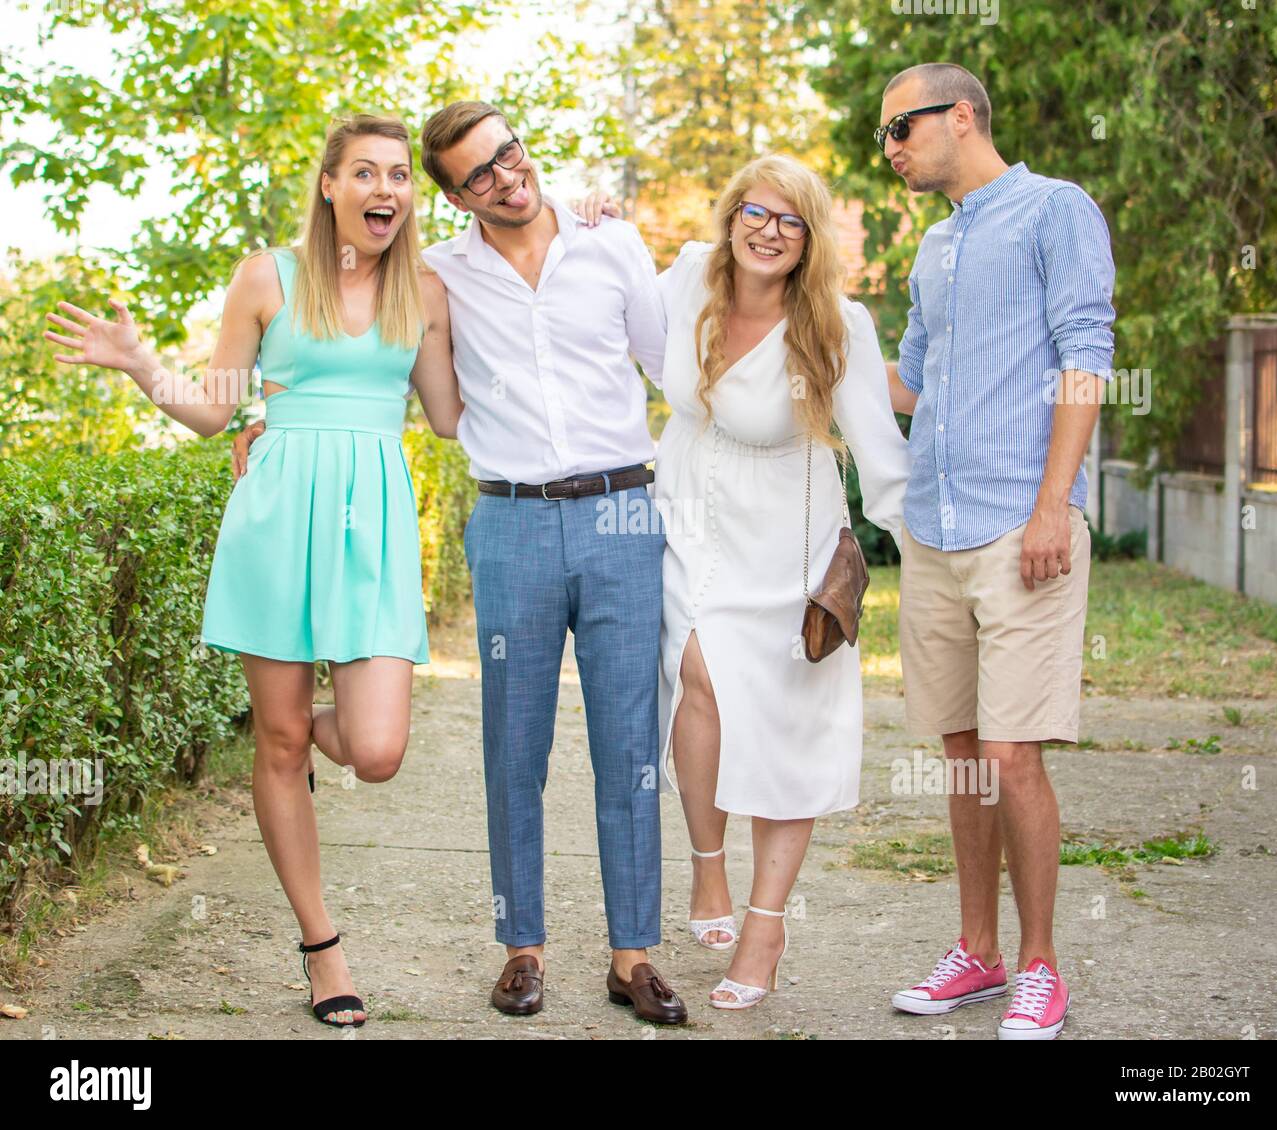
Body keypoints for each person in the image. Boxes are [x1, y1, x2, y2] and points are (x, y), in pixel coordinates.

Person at [47, 114, 460, 1028]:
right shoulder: (266, 276)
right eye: (364, 172)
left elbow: (449, 417)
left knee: (378, 750)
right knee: (276, 747)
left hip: (372, 525)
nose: (384, 189)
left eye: (398, 175)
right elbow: (211, 412)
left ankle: (325, 720)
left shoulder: (426, 293)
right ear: (329, 184)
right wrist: (139, 364)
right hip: (277, 517)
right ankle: (323, 951)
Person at [415, 101, 687, 1023]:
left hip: (621, 513)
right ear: (455, 197)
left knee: (629, 748)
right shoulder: (437, 277)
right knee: (513, 748)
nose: (504, 177)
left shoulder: (613, 244)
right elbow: (419, 398)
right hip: (512, 521)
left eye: (509, 154)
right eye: (478, 174)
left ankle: (634, 956)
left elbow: (674, 375)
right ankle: (521, 949)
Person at [876, 63, 1116, 1040]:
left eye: (900, 127)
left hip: (1023, 526)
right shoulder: (930, 247)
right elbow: (910, 385)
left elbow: (1084, 353)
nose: (890, 147)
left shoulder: (1054, 210)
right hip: (932, 530)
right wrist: (802, 340)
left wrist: (1054, 502)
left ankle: (1040, 965)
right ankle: (975, 949)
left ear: (961, 114)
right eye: (884, 135)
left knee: (1015, 753)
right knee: (966, 755)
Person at [641, 156, 908, 1009]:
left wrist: (927, 545)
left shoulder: (838, 324)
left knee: (784, 728)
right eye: (757, 212)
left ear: (809, 240)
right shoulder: (686, 280)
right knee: (697, 680)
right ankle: (707, 866)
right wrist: (592, 222)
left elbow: (879, 449)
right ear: (730, 217)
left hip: (786, 540)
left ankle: (765, 925)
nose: (769, 231)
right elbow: (597, 325)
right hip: (688, 517)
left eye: (791, 221)